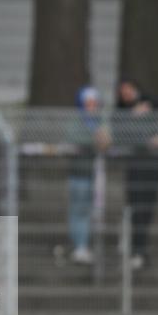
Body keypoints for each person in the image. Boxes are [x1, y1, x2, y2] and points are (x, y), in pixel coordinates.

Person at [115, 80, 158, 270]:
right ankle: (135, 248)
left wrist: (145, 105)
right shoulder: (121, 114)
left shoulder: (147, 104)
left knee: (148, 208)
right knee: (136, 209)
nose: (127, 94)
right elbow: (120, 136)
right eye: (123, 91)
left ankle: (140, 248)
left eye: (129, 89)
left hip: (152, 167)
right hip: (136, 167)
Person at [66, 86, 111, 264]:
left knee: (93, 211)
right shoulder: (76, 122)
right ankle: (79, 245)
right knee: (79, 210)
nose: (92, 106)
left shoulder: (101, 122)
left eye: (94, 103)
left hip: (96, 175)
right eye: (88, 103)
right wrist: (95, 138)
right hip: (79, 174)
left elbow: (107, 141)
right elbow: (75, 140)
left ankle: (88, 244)